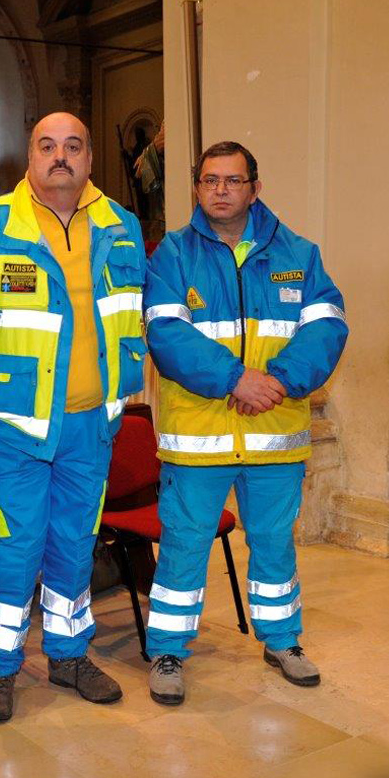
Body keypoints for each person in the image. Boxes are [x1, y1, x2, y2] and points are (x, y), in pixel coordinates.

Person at [0, 112, 146, 721]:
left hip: (92, 425)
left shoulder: (122, 225)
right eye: (47, 146)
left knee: (74, 545)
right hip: (12, 428)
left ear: (89, 158)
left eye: (73, 146)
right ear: (29, 156)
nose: (61, 156)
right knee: (13, 550)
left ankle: (68, 655)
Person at [143, 140, 349, 704]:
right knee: (185, 546)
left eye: (233, 180)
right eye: (210, 180)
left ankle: (283, 641)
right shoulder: (172, 255)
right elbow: (166, 335)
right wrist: (236, 379)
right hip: (198, 437)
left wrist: (278, 380)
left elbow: (328, 326)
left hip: (273, 432)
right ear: (196, 188)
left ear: (255, 188)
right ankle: (167, 650)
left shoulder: (300, 253)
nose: (221, 190)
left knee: (274, 544)